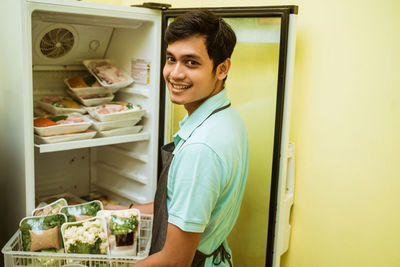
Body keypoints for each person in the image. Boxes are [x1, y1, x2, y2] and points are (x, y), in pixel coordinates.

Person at [107, 10, 249, 267]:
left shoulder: (200, 148)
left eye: (191, 62)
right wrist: (116, 210)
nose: (175, 73)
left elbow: (174, 261)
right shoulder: (226, 118)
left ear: (222, 68)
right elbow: (182, 207)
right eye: (171, 59)